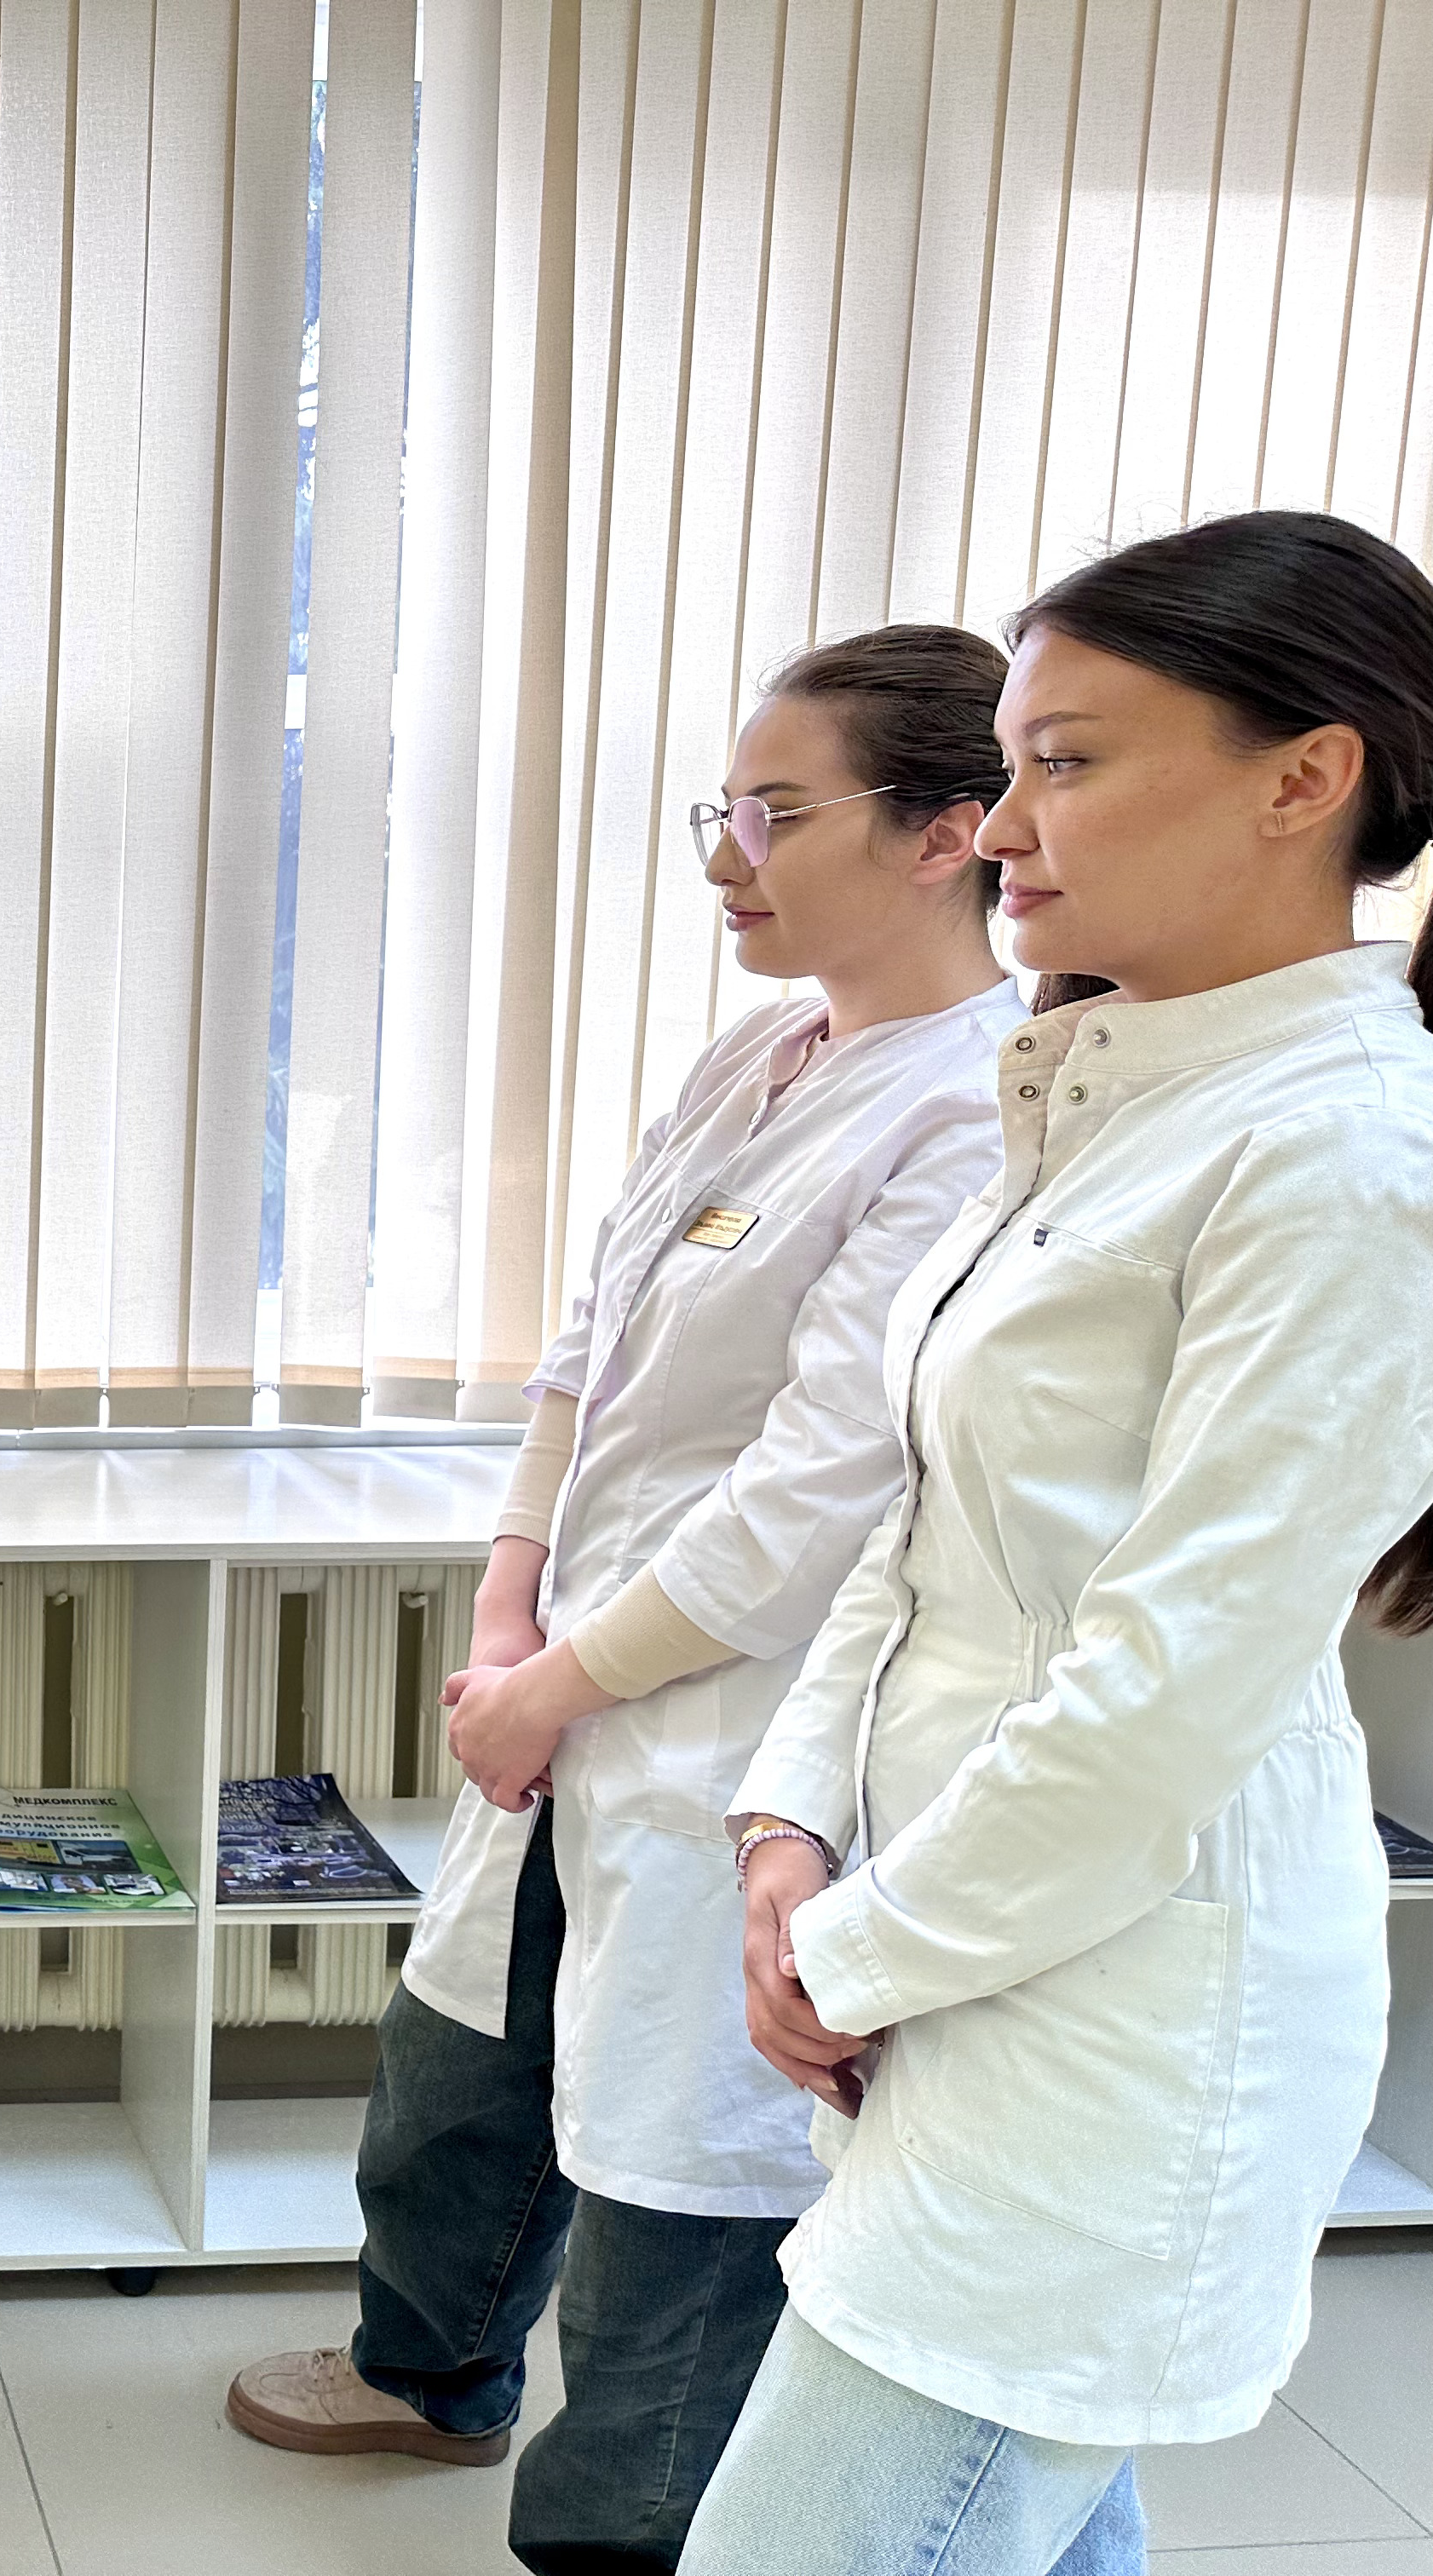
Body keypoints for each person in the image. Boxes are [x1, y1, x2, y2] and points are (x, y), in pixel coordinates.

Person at [225, 629, 1028, 2575]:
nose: (729, 857)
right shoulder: (763, 1051)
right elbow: (590, 1340)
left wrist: (554, 1683)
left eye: (778, 814)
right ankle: (431, 2373)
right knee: (459, 2074)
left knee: (675, 2202)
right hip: (577, 1675)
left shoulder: (971, 1114)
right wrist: (511, 1606)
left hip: (728, 1725)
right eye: (721, 811)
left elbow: (814, 1498)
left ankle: (629, 2537)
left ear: (949, 834)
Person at [691, 513, 1433, 2576]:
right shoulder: (1109, 1087)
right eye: (1013, 763)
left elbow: (1165, 1692)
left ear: (1307, 778)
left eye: (1069, 764)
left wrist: (847, 1951)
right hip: (962, 1942)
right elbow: (924, 1517)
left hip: (1117, 2029)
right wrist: (789, 1829)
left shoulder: (1347, 1151)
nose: (1003, 826)